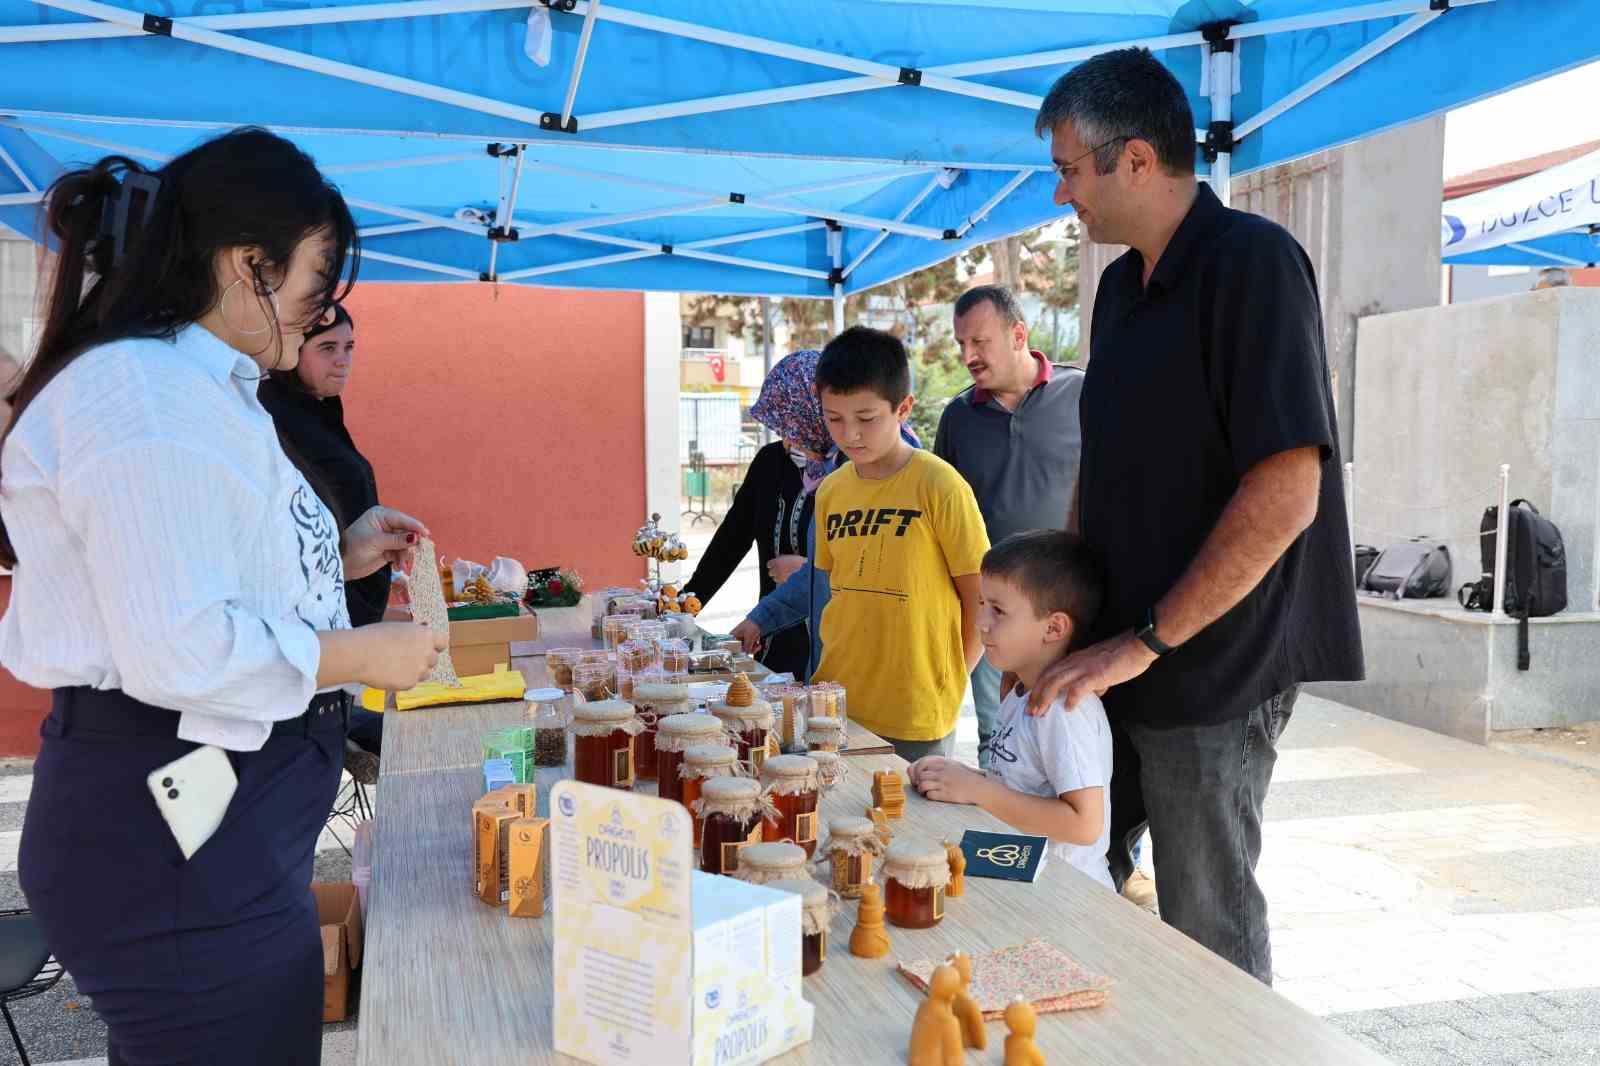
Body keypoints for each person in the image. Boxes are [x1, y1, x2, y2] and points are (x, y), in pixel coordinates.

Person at [0, 128, 447, 1064]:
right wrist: (362, 656)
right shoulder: (146, 393)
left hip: (210, 829)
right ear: (249, 264)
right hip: (173, 834)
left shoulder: (199, 387)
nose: (321, 310)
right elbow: (179, 647)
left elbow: (209, 573)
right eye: (316, 284)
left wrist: (342, 553)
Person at [1027, 48, 1363, 984]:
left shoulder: (1252, 263)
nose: (1061, 196)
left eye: (1068, 170)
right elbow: (1103, 470)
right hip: (1116, 650)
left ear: (1135, 158)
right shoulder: (1120, 289)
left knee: (1206, 929)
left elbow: (1289, 489)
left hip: (1211, 666)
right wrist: (1061, 613)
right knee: (1068, 875)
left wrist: (1146, 641)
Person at [807, 326, 989, 761]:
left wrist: (950, 680)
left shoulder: (939, 485)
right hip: (837, 701)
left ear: (902, 408)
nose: (850, 433)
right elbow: (836, 594)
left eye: (866, 418)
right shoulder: (831, 492)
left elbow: (982, 599)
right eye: (834, 418)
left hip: (916, 709)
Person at [909, 530, 1114, 890]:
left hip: (1069, 899)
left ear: (1053, 627)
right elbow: (1024, 784)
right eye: (983, 605)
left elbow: (1084, 825)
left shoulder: (1062, 710)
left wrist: (979, 791)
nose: (981, 622)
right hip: (1026, 878)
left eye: (998, 611)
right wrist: (965, 778)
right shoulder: (1020, 690)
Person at [934, 284, 1083, 770]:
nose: (968, 356)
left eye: (979, 342)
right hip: (991, 605)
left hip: (1074, 600)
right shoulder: (958, 417)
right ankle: (997, 839)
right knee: (997, 738)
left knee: (1078, 730)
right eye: (961, 345)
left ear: (1018, 334)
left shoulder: (1083, 392)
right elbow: (943, 515)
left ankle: (1094, 843)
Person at [259, 302, 390, 774]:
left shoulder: (320, 413)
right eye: (327, 348)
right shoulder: (274, 417)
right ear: (293, 350)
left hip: (343, 624)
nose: (343, 360)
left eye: (350, 347)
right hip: (309, 638)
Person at [679, 351, 826, 679]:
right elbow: (732, 538)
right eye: (780, 424)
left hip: (827, 638)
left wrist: (807, 570)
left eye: (792, 422)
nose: (786, 437)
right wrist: (688, 602)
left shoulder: (847, 470)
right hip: (770, 630)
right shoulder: (768, 462)